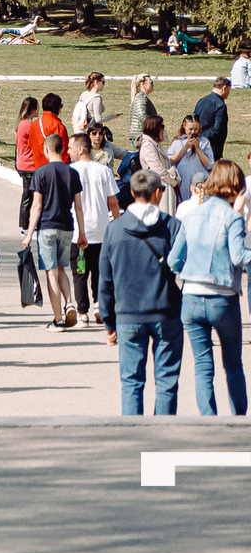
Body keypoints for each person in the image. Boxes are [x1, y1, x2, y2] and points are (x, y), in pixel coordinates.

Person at [168, 159, 251, 415]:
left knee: (203, 364)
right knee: (233, 364)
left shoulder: (190, 214)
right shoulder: (232, 217)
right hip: (221, 297)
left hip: (191, 296)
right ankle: (238, 420)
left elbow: (173, 260)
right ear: (235, 187)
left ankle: (209, 420)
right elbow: (238, 257)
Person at [99, 172, 183, 416]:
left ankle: (133, 439)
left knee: (132, 383)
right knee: (167, 382)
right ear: (157, 193)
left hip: (128, 315)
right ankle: (163, 439)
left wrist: (108, 322)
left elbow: (105, 280)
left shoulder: (114, 229)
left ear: (133, 193)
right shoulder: (172, 226)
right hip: (166, 312)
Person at [22, 132, 85, 329]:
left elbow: (37, 207)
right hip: (67, 227)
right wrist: (82, 233)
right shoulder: (72, 173)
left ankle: (57, 318)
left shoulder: (41, 173)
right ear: (63, 149)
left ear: (46, 149)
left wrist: (30, 233)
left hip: (47, 228)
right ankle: (70, 303)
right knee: (62, 268)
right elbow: (79, 206)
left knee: (51, 272)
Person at [66, 133, 120, 325]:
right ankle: (98, 303)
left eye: (71, 148)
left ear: (80, 149)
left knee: (80, 272)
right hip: (101, 230)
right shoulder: (104, 171)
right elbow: (113, 203)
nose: (68, 151)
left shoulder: (71, 171)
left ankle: (82, 313)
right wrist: (119, 225)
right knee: (99, 271)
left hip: (78, 232)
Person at [195, 76, 231, 164]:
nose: (228, 93)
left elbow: (193, 120)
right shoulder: (220, 105)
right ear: (224, 87)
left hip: (197, 144)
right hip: (212, 147)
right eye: (228, 90)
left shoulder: (201, 101)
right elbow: (217, 129)